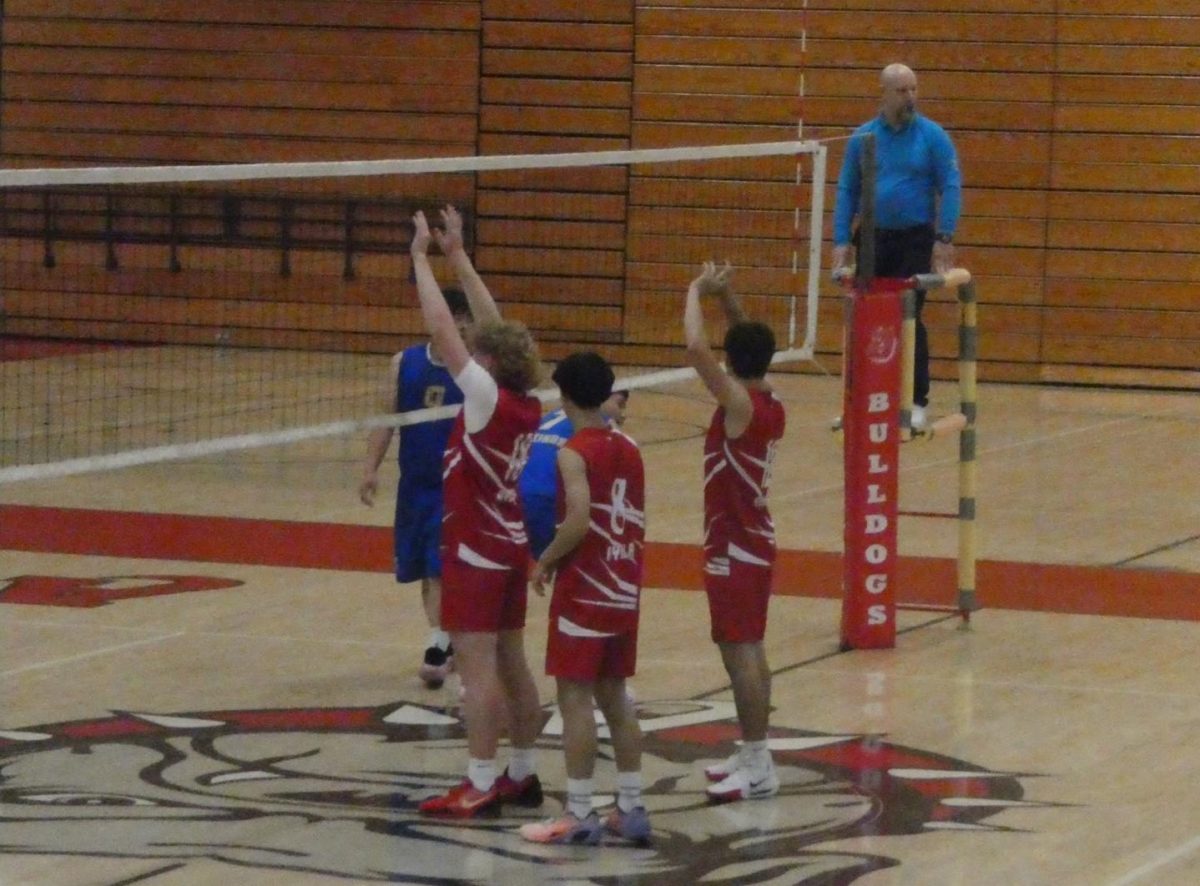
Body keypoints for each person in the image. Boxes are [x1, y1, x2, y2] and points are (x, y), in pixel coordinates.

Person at [409, 205, 546, 819]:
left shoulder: (488, 398)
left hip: (475, 550)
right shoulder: (526, 396)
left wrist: (420, 260)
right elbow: (494, 329)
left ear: (488, 364)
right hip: (510, 544)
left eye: (478, 351)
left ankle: (481, 780)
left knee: (478, 669)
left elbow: (445, 331)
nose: (472, 347)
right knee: (513, 661)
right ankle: (522, 773)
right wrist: (458, 255)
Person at [517, 351, 650, 846]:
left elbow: (578, 520)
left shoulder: (573, 452)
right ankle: (632, 807)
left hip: (586, 589)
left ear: (565, 395)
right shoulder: (630, 447)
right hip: (624, 584)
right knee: (615, 696)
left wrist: (544, 559)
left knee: (574, 698)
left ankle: (578, 813)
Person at [684, 261, 786, 804]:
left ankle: (759, 758)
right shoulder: (770, 398)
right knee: (750, 650)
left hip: (736, 545)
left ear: (732, 362)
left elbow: (696, 352)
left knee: (739, 653)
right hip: (752, 538)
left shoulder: (741, 405)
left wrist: (696, 293)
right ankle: (753, 754)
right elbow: (746, 343)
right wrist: (729, 301)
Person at [831, 62, 962, 428]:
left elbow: (950, 186)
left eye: (914, 89)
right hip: (873, 238)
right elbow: (847, 189)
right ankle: (857, 401)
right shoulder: (863, 138)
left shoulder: (932, 136)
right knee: (863, 317)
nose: (910, 97)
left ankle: (916, 402)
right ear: (884, 94)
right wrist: (841, 239)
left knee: (908, 316)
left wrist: (944, 237)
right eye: (902, 90)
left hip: (914, 239)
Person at [358, 289, 474, 689]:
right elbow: (386, 419)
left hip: (460, 488)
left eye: (459, 317)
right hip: (415, 486)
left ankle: (438, 645)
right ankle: (448, 640)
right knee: (427, 572)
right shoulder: (403, 363)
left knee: (441, 569)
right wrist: (371, 468)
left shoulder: (474, 370)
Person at [519, 389, 630, 560]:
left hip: (517, 495)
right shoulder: (598, 422)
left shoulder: (554, 415)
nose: (622, 414)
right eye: (619, 404)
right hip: (549, 500)